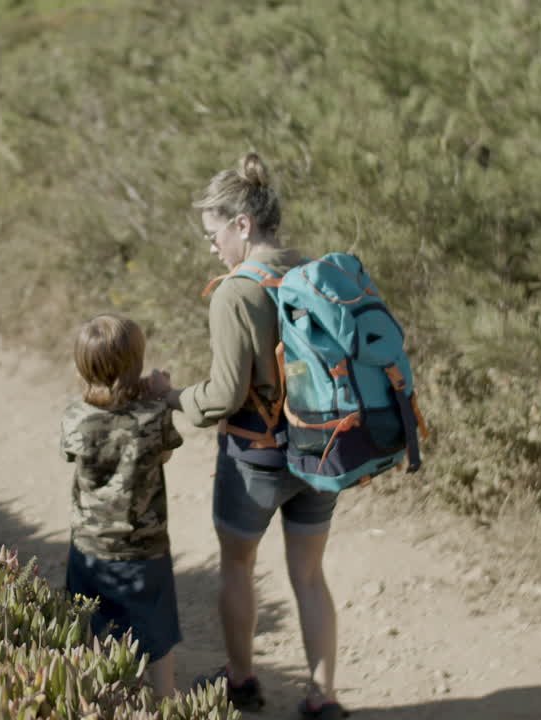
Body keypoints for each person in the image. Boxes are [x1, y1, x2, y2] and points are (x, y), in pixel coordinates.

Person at [148, 153, 347, 719]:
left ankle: (241, 681)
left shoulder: (236, 291)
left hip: (256, 458)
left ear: (243, 224)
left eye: (215, 234)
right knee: (310, 575)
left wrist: (172, 399)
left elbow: (223, 397)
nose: (212, 247)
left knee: (237, 566)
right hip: (321, 451)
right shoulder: (311, 271)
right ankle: (322, 695)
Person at [62, 313, 185, 697]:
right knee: (156, 640)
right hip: (143, 549)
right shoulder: (153, 416)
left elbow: (75, 455)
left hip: (89, 547)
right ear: (136, 366)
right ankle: (165, 703)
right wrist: (160, 393)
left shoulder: (75, 417)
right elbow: (164, 455)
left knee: (91, 635)